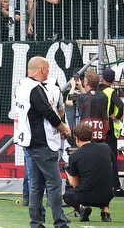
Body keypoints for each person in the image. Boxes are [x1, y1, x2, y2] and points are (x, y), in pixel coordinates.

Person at [14, 55, 72, 228]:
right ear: (43, 69)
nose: (48, 72)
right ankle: (60, 223)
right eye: (47, 68)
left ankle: (36, 223)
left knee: (36, 185)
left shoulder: (22, 86)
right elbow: (49, 113)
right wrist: (63, 128)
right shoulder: (35, 88)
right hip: (43, 143)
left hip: (31, 141)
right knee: (54, 184)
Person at [63, 124, 115, 223]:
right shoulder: (105, 147)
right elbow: (110, 164)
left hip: (87, 197)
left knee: (67, 196)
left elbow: (75, 184)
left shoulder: (74, 157)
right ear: (91, 137)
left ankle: (82, 207)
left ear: (77, 139)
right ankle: (105, 211)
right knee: (101, 179)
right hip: (107, 194)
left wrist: (68, 172)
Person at [99, 67, 124, 195]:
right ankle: (116, 187)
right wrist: (117, 116)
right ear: (113, 80)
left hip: (96, 129)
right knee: (112, 159)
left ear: (102, 78)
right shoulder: (111, 91)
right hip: (109, 130)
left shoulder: (95, 90)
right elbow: (120, 105)